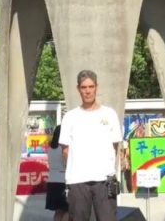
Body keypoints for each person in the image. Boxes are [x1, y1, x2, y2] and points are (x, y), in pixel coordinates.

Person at [59, 70, 122, 221]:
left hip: (105, 180)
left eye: (91, 86)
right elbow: (65, 150)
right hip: (77, 181)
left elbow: (115, 145)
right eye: (84, 87)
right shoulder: (70, 117)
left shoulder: (109, 114)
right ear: (78, 89)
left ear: (96, 87)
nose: (87, 91)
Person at [46, 126, 69, 221]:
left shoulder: (50, 148)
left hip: (52, 181)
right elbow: (67, 164)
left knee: (58, 211)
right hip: (63, 181)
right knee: (69, 210)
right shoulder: (63, 149)